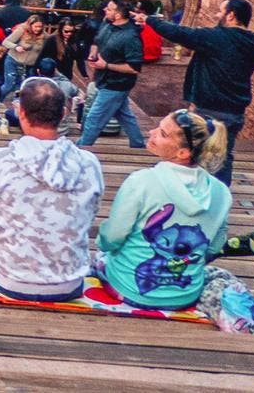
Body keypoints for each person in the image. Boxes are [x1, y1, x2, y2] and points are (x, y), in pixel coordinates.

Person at [0, 78, 106, 302]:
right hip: (70, 283)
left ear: (21, 113)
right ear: (64, 114)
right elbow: (91, 212)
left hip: (8, 281)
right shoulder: (89, 163)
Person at [98, 110, 232, 310]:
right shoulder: (222, 192)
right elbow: (214, 246)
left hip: (130, 288)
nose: (151, 132)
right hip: (186, 294)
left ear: (183, 153)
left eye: (162, 133)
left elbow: (112, 237)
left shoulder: (141, 181)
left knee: (100, 259)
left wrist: (102, 245)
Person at [141, 0, 254, 184]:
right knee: (223, 155)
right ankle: (220, 194)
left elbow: (180, 33)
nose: (216, 15)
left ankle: (193, 190)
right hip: (235, 110)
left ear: (231, 15)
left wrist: (149, 20)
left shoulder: (217, 37)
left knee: (197, 153)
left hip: (209, 109)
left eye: (220, 11)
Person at [78, 0, 147, 150]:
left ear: (118, 15)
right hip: (102, 79)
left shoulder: (131, 37)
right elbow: (97, 40)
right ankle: (138, 144)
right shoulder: (107, 23)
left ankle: (81, 148)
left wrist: (106, 65)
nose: (105, 10)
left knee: (94, 119)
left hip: (117, 84)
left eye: (109, 9)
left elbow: (134, 68)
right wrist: (93, 53)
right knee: (124, 115)